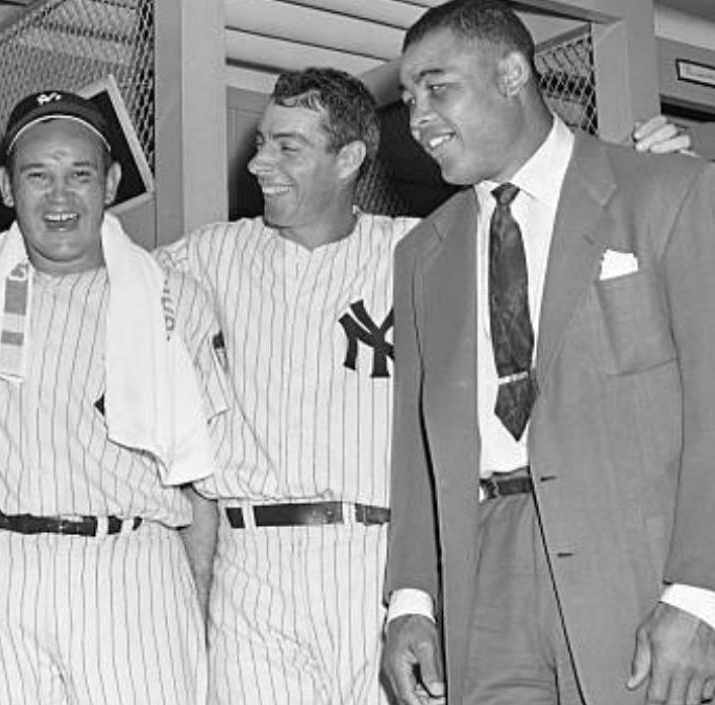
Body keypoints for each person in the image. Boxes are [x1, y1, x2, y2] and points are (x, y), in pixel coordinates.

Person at [381, 2, 715, 705]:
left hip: (637, 563)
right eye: (410, 98)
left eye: (438, 88)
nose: (418, 118)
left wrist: (699, 590)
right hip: (485, 567)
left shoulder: (666, 190)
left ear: (511, 72)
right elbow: (415, 444)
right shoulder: (420, 255)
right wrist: (411, 596)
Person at [0, 90, 230, 705]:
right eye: (38, 175)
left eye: (80, 175)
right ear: (8, 188)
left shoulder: (175, 301)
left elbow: (203, 484)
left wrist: (196, 604)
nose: (59, 197)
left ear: (112, 181)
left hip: (132, 570)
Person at [156, 67, 417, 705]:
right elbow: (91, 283)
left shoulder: (415, 250)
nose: (258, 163)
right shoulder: (213, 254)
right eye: (261, 142)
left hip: (379, 562)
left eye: (286, 146)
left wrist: (640, 171)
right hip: (253, 565)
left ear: (349, 158)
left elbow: (533, 245)